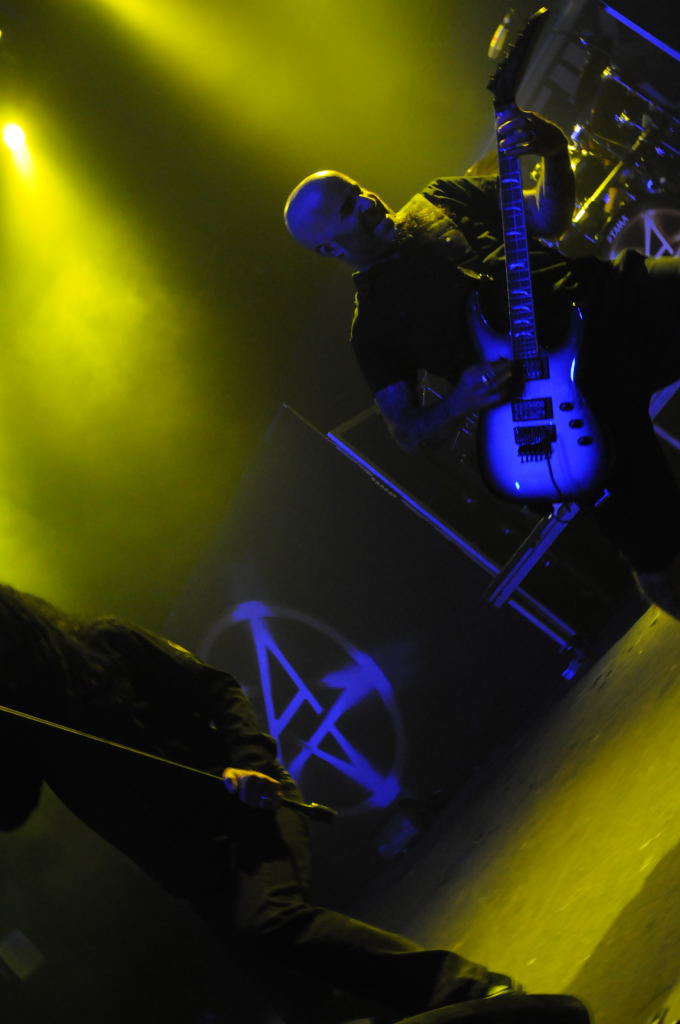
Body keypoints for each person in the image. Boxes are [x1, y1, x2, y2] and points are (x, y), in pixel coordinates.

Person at [0, 581, 583, 1024]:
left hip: (249, 809)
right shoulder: (26, 731)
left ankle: (470, 988)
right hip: (194, 871)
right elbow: (11, 809)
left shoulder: (106, 645)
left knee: (271, 922)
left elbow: (217, 688)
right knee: (312, 1004)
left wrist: (250, 761)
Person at [283, 105, 680, 620]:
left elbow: (548, 218)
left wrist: (553, 152)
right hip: (566, 405)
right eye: (346, 208)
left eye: (356, 188)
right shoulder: (372, 329)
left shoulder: (440, 197)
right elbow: (407, 430)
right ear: (329, 247)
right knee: (658, 559)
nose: (365, 200)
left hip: (606, 310)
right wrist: (458, 402)